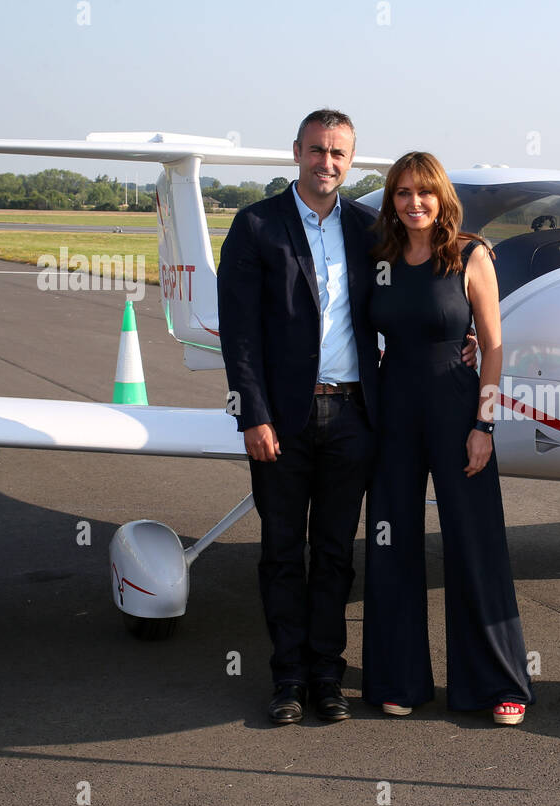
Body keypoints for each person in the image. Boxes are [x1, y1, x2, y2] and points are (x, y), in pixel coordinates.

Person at [217, 111, 475, 726]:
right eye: (316, 151)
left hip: (356, 415)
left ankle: (327, 678)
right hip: (282, 420)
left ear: (350, 160)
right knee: (282, 552)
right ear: (297, 153)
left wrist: (466, 339)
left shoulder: (369, 229)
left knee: (335, 552)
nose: (326, 163)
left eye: (337, 154)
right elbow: (241, 335)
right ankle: (287, 679)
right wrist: (253, 414)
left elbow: (416, 293)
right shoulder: (255, 226)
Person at [361, 151, 534, 726]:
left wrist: (484, 425)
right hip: (392, 416)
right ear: (392, 199)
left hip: (459, 413)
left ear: (441, 199)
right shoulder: (380, 256)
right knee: (392, 546)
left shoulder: (469, 253)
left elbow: (494, 346)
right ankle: (398, 678)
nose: (413, 203)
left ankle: (497, 684)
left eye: (424, 193)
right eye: (403, 193)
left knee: (474, 545)